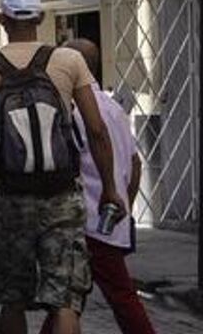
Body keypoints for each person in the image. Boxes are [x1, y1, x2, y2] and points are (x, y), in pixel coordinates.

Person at [0, 0, 126, 334]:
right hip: (62, 196)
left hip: (12, 198)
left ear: (1, 18)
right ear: (41, 16)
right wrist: (111, 188)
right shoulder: (69, 60)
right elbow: (96, 131)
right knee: (64, 299)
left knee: (12, 298)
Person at [63, 38, 156, 334]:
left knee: (108, 297)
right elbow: (135, 162)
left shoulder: (75, 111)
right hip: (108, 217)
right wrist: (123, 205)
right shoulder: (113, 107)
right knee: (72, 298)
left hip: (88, 220)